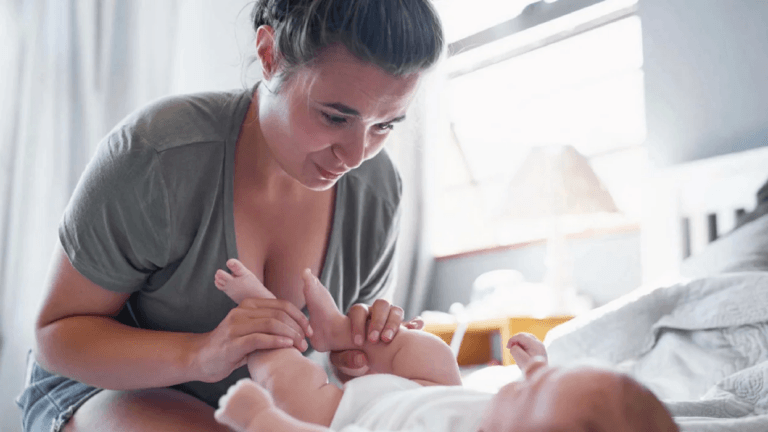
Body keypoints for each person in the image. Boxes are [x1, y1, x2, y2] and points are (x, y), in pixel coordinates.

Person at [18, 1, 445, 431]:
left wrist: (368, 351)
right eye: (335, 117)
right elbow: (56, 336)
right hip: (102, 387)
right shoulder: (156, 155)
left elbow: (341, 371)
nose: (355, 155)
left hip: (266, 402)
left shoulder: (377, 191)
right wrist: (200, 353)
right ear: (269, 56)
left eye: (385, 126)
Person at [211, 259, 681, 432]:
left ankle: (264, 314)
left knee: (295, 389)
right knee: (428, 350)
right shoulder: (511, 416)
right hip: (430, 389)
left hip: (355, 414)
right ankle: (334, 332)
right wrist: (537, 367)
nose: (526, 383)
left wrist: (262, 419)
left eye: (533, 390)